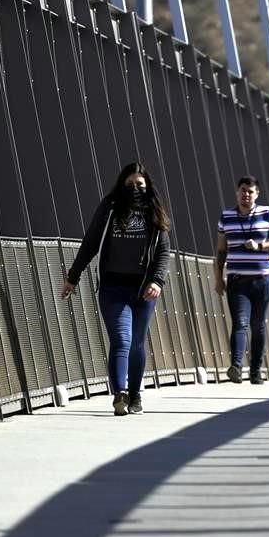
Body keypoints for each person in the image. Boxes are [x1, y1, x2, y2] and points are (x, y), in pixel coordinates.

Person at [61, 162, 171, 416]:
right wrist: (72, 277)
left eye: (140, 185)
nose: (135, 189)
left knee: (137, 343)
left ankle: (135, 395)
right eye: (130, 184)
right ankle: (119, 393)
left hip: (143, 290)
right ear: (122, 183)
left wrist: (157, 281)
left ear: (148, 187)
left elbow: (163, 251)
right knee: (122, 339)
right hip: (113, 287)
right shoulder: (110, 207)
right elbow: (91, 242)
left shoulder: (154, 211)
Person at [214, 176, 269, 385]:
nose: (246, 195)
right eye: (243, 190)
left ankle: (255, 370)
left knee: (258, 324)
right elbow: (221, 250)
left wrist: (261, 246)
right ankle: (236, 366)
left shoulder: (267, 213)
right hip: (237, 280)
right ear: (237, 192)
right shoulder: (226, 216)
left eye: (250, 191)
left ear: (257, 194)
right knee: (240, 323)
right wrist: (219, 278)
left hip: (262, 279)